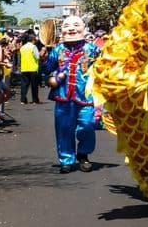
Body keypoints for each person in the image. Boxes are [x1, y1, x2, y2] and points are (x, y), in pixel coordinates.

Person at [40, 16, 100, 173]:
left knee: (87, 125)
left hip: (86, 96)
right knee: (64, 128)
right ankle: (66, 159)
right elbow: (46, 70)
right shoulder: (58, 50)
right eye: (67, 26)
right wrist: (44, 58)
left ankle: (83, 154)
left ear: (84, 28)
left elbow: (103, 69)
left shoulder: (92, 49)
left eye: (76, 25)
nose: (71, 28)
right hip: (63, 96)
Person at [17, 31, 43, 105]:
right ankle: (35, 100)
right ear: (33, 40)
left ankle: (23, 100)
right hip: (33, 68)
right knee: (34, 86)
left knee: (24, 85)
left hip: (24, 68)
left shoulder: (22, 47)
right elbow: (37, 57)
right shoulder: (33, 47)